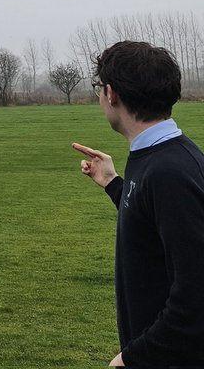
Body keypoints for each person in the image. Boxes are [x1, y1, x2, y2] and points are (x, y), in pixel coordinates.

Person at [72, 40, 204, 366]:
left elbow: (195, 297)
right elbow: (153, 225)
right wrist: (114, 184)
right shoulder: (154, 156)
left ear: (111, 93)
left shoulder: (169, 171)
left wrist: (132, 358)